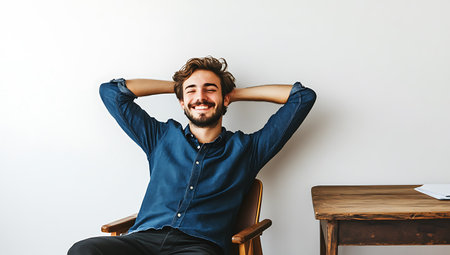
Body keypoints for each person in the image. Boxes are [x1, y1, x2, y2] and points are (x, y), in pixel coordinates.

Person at [68, 56, 316, 255]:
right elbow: (111, 92)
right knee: (83, 250)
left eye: (210, 90)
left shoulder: (248, 149)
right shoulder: (160, 137)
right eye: (192, 92)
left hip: (199, 246)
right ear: (181, 101)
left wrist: (231, 93)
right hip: (143, 240)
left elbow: (302, 97)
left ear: (225, 98)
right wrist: (179, 88)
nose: (200, 97)